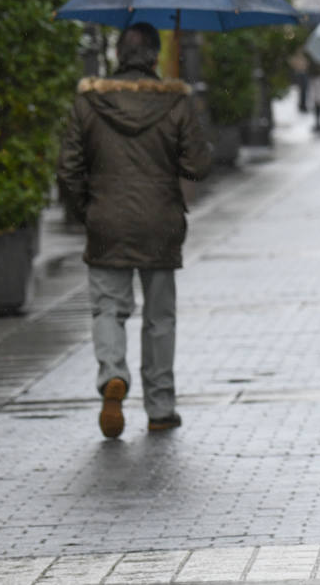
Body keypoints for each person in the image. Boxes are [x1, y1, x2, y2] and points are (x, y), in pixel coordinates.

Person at [56, 23, 211, 439]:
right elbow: (198, 166)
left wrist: (87, 210)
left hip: (107, 221)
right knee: (159, 318)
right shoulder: (175, 103)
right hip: (160, 223)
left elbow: (67, 169)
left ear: (118, 55)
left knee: (108, 308)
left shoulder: (89, 102)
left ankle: (112, 374)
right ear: (155, 57)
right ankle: (160, 407)